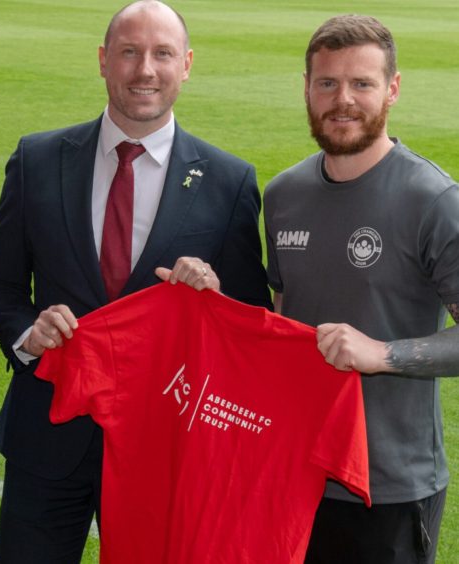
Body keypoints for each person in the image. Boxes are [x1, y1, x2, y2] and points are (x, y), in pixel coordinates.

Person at [0, 1, 271, 561]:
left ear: (186, 64)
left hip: (164, 447)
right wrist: (27, 337)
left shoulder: (228, 181)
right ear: (103, 61)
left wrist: (214, 296)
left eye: (162, 54)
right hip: (47, 435)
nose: (145, 70)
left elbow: (249, 320)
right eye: (130, 52)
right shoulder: (38, 158)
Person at [264, 14, 459, 564]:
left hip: (390, 484)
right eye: (327, 83)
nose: (342, 99)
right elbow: (279, 315)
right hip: (297, 472)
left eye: (362, 84)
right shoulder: (282, 196)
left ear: (392, 89)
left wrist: (382, 354)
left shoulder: (434, 200)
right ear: (306, 88)